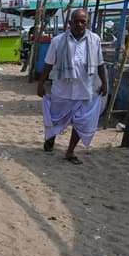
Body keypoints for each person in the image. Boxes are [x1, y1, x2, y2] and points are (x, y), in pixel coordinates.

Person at [37, 9, 107, 165]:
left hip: (84, 88)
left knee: (80, 121)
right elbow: (48, 64)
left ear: (87, 23)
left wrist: (104, 83)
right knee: (55, 118)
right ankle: (50, 139)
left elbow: (100, 64)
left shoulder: (95, 40)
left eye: (83, 21)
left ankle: (70, 151)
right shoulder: (58, 40)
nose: (80, 24)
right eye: (76, 21)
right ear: (70, 23)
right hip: (62, 89)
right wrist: (41, 84)